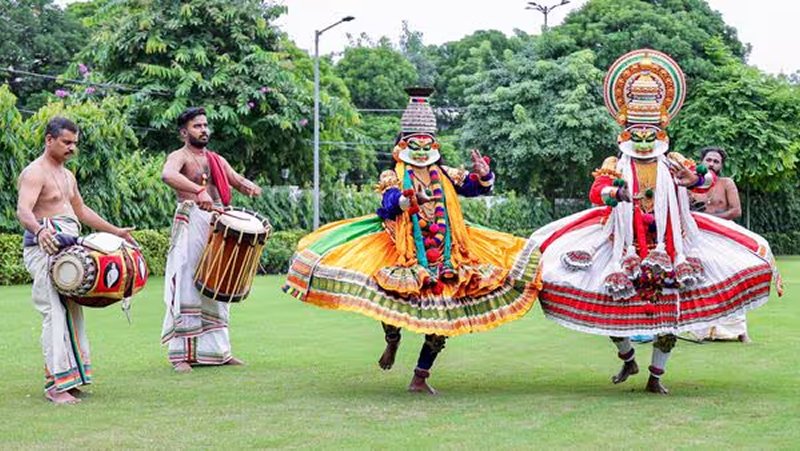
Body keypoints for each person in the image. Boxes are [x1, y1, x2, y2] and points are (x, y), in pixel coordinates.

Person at [527, 49, 781, 394]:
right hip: (621, 245)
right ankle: (628, 357)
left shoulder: (673, 160)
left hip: (671, 244)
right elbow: (596, 191)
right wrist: (617, 195)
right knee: (611, 310)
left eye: (650, 134)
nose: (644, 141)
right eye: (637, 135)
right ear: (625, 133)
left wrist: (690, 181)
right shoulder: (615, 164)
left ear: (661, 130)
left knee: (669, 316)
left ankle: (656, 378)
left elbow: (702, 180)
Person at [284, 88, 542, 394]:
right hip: (400, 249)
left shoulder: (445, 173)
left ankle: (420, 377)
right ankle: (392, 340)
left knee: (441, 320)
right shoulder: (392, 174)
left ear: (434, 145)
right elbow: (387, 203)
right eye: (414, 144)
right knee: (389, 303)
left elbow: (474, 188)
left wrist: (484, 175)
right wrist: (408, 200)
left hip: (448, 253)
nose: (421, 151)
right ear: (403, 145)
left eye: (426, 144)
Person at [16, 116, 135, 404]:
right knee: (54, 313)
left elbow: (81, 212)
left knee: (73, 313)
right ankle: (56, 386)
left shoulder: (68, 176)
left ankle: (72, 378)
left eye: (75, 144)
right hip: (45, 246)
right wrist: (40, 229)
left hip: (70, 248)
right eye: (66, 142)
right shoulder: (34, 172)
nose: (72, 148)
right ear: (49, 140)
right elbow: (23, 211)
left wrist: (115, 230)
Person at [160, 107, 262, 373]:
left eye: (205, 125)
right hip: (191, 218)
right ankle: (181, 355)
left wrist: (249, 186)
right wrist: (197, 190)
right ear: (184, 132)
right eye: (197, 126)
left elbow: (235, 179)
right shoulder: (178, 156)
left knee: (217, 283)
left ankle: (219, 352)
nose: (203, 130)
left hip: (217, 222)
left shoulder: (216, 159)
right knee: (187, 283)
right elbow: (168, 175)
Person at [688, 147, 750, 342]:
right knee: (700, 281)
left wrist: (711, 218)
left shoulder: (726, 183)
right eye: (708, 160)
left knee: (730, 279)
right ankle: (702, 331)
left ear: (721, 165)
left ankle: (740, 331)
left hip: (723, 236)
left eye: (716, 161)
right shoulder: (690, 185)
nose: (712, 164)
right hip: (698, 238)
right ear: (701, 161)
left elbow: (736, 211)